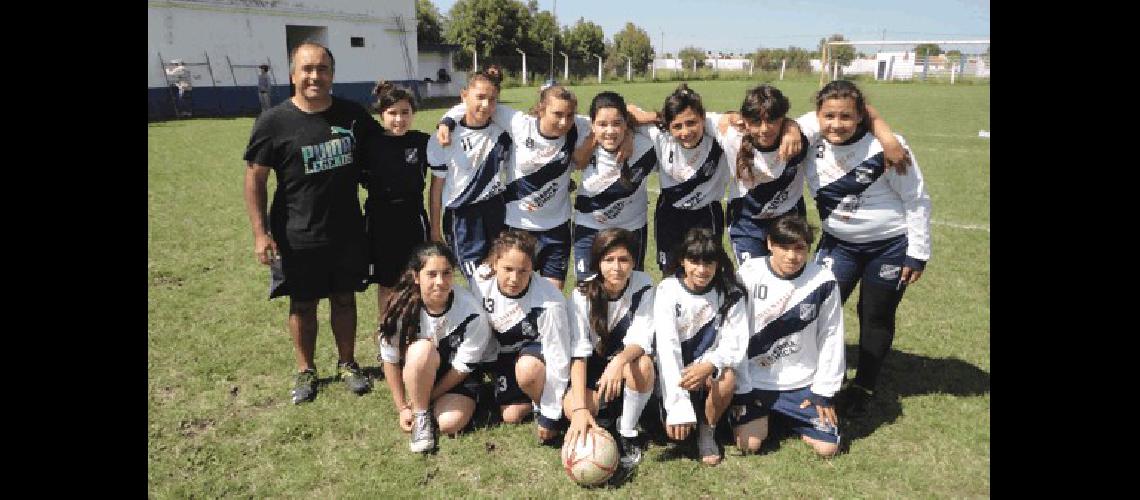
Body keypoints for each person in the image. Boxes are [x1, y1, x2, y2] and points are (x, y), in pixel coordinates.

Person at [242, 41, 381, 404]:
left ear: (332, 75)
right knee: (302, 304)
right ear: (293, 75)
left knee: (344, 298)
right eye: (307, 69)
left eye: (322, 69)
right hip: (297, 234)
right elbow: (255, 178)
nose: (314, 76)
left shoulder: (352, 116)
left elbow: (383, 150)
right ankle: (306, 370)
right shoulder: (273, 122)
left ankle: (348, 363)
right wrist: (260, 233)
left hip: (347, 230)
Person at [800, 80, 932, 417]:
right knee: (818, 308)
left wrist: (917, 253)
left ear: (861, 117)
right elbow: (781, 127)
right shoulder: (808, 138)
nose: (837, 124)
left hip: (888, 247)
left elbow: (916, 199)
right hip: (838, 245)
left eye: (846, 116)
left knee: (874, 315)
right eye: (829, 115)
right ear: (817, 116)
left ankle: (865, 384)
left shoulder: (888, 147)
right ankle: (820, 375)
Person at [714, 85, 912, 265]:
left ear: (783, 118)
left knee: (791, 280)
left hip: (788, 217)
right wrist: (729, 116)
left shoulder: (803, 132)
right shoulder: (731, 136)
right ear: (745, 121)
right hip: (747, 222)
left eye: (773, 120)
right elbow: (696, 119)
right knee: (752, 282)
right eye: (756, 121)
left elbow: (859, 108)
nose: (765, 129)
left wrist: (888, 139)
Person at [625, 84, 802, 273]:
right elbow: (623, 111)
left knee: (707, 271)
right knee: (670, 272)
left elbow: (746, 118)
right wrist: (653, 118)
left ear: (703, 118)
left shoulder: (716, 130)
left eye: (692, 123)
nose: (685, 132)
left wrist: (791, 127)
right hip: (669, 215)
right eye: (677, 126)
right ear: (668, 126)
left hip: (707, 213)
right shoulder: (659, 134)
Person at [437, 84, 595, 291]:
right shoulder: (519, 124)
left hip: (557, 229)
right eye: (557, 114)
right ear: (541, 109)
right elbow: (476, 105)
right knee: (514, 293)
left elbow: (613, 113)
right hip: (518, 226)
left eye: (569, 115)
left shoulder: (577, 126)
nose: (564, 121)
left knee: (551, 297)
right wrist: (446, 122)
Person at [731, 214, 844, 458]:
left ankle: (783, 416)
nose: (792, 256)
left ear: (808, 249)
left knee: (828, 449)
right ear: (770, 243)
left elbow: (832, 336)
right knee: (748, 445)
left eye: (799, 248)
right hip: (755, 380)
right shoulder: (749, 274)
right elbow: (735, 333)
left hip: (801, 383)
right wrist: (741, 386)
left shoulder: (823, 281)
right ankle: (768, 417)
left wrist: (824, 392)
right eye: (783, 247)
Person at [378, 242, 493, 453]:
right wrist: (403, 407)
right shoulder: (400, 309)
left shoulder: (472, 312)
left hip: (455, 377)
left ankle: (426, 403)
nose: (440, 282)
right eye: (431, 274)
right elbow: (390, 359)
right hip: (421, 366)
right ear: (416, 276)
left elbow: (462, 368)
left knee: (450, 424)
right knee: (422, 350)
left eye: (446, 273)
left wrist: (426, 396)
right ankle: (422, 417)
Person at [563, 228, 657, 473]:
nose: (616, 267)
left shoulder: (644, 285)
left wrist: (618, 363)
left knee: (644, 364)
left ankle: (627, 430)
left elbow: (642, 338)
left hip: (626, 369)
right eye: (609, 260)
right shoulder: (581, 294)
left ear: (634, 262)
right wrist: (581, 409)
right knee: (571, 407)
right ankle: (604, 422)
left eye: (624, 260)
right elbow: (579, 354)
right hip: (594, 374)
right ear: (598, 262)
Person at [653, 227, 749, 465]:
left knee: (726, 377)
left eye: (709, 262)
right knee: (674, 435)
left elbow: (735, 342)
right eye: (694, 261)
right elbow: (667, 347)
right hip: (675, 377)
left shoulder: (730, 293)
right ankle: (670, 414)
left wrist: (710, 365)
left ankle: (708, 431)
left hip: (707, 373)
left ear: (718, 263)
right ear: (682, 261)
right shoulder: (667, 290)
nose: (702, 270)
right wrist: (678, 405)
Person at [470, 229, 573, 443]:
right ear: (495, 263)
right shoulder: (479, 280)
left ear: (532, 269)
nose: (514, 279)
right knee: (510, 416)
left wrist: (550, 414)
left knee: (528, 370)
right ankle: (529, 397)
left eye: (523, 271)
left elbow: (558, 357)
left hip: (536, 357)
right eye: (508, 269)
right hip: (504, 354)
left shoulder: (549, 302)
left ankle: (546, 404)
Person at [426, 71, 510, 284]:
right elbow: (436, 187)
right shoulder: (443, 139)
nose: (485, 105)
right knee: (478, 283)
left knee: (502, 277)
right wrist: (435, 230)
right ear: (464, 95)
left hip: (497, 210)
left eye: (492, 100)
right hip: (462, 218)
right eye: (480, 97)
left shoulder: (503, 132)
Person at [362, 81, 431, 333]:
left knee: (418, 278)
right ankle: (387, 335)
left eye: (405, 112)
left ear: (413, 113)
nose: (399, 119)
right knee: (387, 282)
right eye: (392, 113)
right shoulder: (369, 145)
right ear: (381, 115)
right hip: (381, 221)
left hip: (413, 219)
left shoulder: (422, 142)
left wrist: (447, 126)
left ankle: (416, 332)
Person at [568, 91, 656, 282]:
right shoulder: (580, 134)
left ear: (626, 123)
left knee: (629, 289)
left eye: (617, 124)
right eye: (602, 125)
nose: (610, 131)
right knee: (587, 289)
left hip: (631, 229)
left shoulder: (646, 146)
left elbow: (674, 118)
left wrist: (631, 133)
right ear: (591, 125)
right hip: (589, 228)